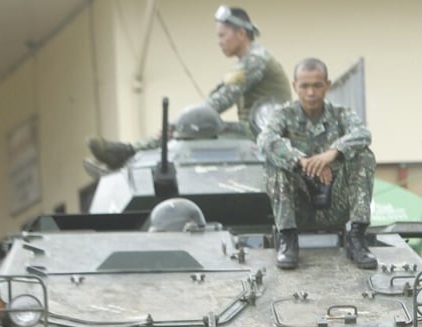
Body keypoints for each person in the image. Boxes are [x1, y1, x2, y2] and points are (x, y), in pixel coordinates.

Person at [87, 5, 291, 170]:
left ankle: (128, 154)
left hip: (264, 136)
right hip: (256, 132)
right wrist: (178, 124)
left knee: (194, 132)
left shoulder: (255, 60)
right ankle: (128, 154)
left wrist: (176, 126)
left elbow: (219, 102)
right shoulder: (249, 60)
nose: (219, 42)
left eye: (222, 35)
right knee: (192, 128)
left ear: (240, 33)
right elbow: (217, 96)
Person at [257, 57, 377, 270]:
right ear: (295, 87)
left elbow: (363, 133)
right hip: (297, 205)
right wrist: (301, 161)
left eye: (317, 85)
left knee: (363, 155)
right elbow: (265, 140)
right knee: (276, 162)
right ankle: (287, 239)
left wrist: (332, 153)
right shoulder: (284, 115)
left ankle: (357, 237)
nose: (311, 93)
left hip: (336, 202)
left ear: (327, 86)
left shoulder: (341, 114)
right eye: (304, 86)